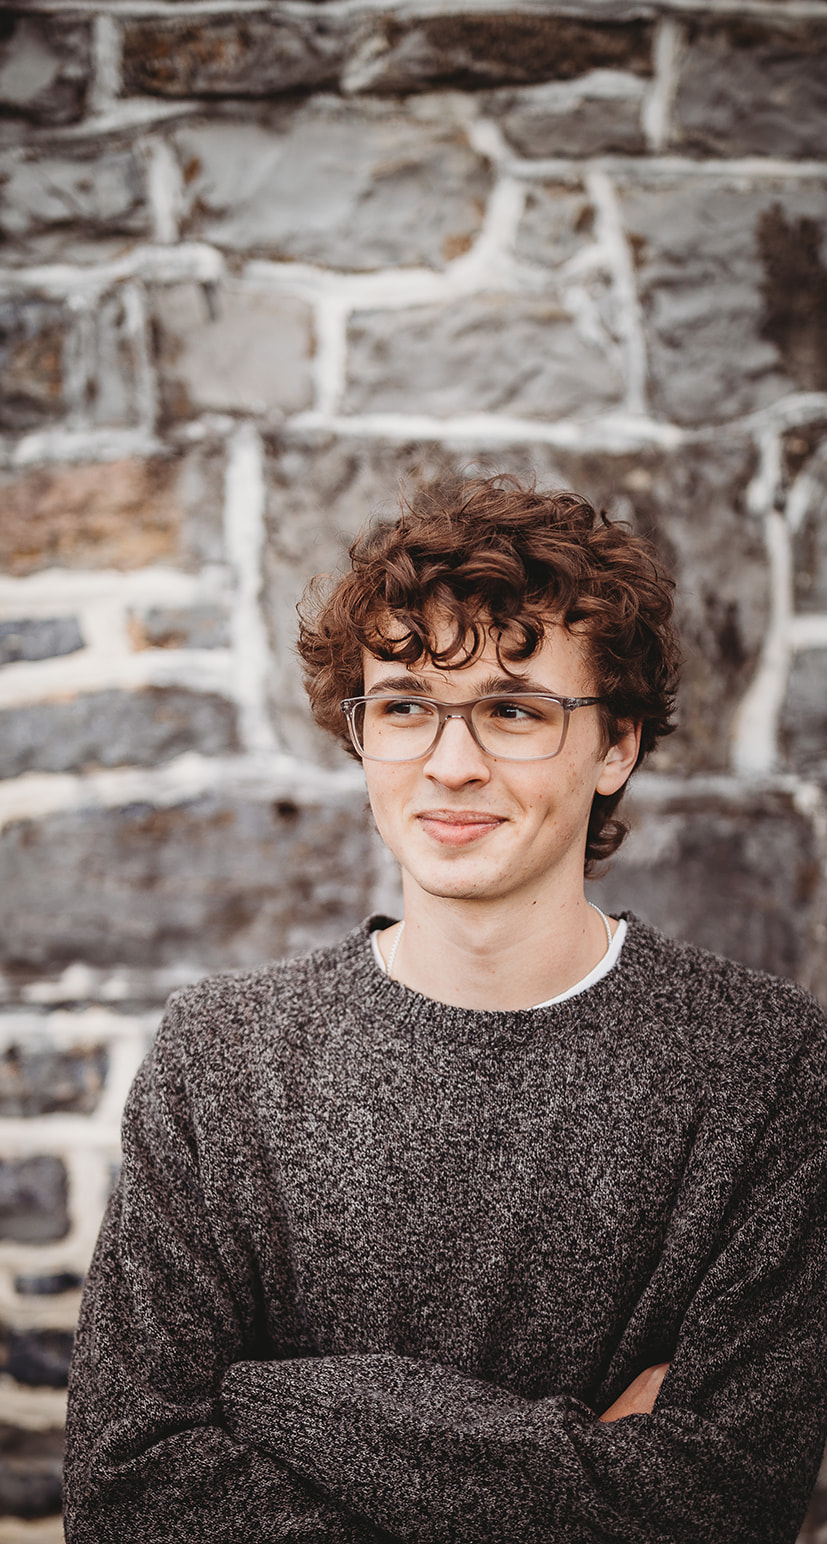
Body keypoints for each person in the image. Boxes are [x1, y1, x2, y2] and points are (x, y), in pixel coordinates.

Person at [64, 476, 827, 1542]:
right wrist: (582, 1469)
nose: (451, 764)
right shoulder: (220, 1059)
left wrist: (287, 1401)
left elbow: (721, 1503)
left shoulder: (765, 1067)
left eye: (513, 711)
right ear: (362, 734)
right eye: (406, 707)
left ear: (616, 746)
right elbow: (126, 1495)